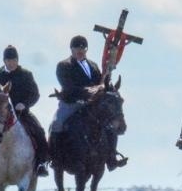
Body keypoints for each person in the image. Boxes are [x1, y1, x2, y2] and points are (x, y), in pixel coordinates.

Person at [52, 33, 127, 169]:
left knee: (110, 123)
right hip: (71, 102)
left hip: (91, 105)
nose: (80, 51)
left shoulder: (93, 65)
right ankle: (53, 159)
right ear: (72, 50)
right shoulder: (63, 66)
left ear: (86, 50)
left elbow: (101, 83)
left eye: (83, 48)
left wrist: (107, 80)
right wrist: (89, 91)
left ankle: (111, 157)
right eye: (77, 48)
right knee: (57, 124)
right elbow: (69, 87)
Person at [0, 45, 48, 176]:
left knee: (39, 130)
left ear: (17, 60)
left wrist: (24, 104)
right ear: (4, 61)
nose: (11, 63)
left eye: (13, 60)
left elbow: (35, 94)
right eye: (8, 60)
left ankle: (41, 164)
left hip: (21, 113)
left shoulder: (26, 74)